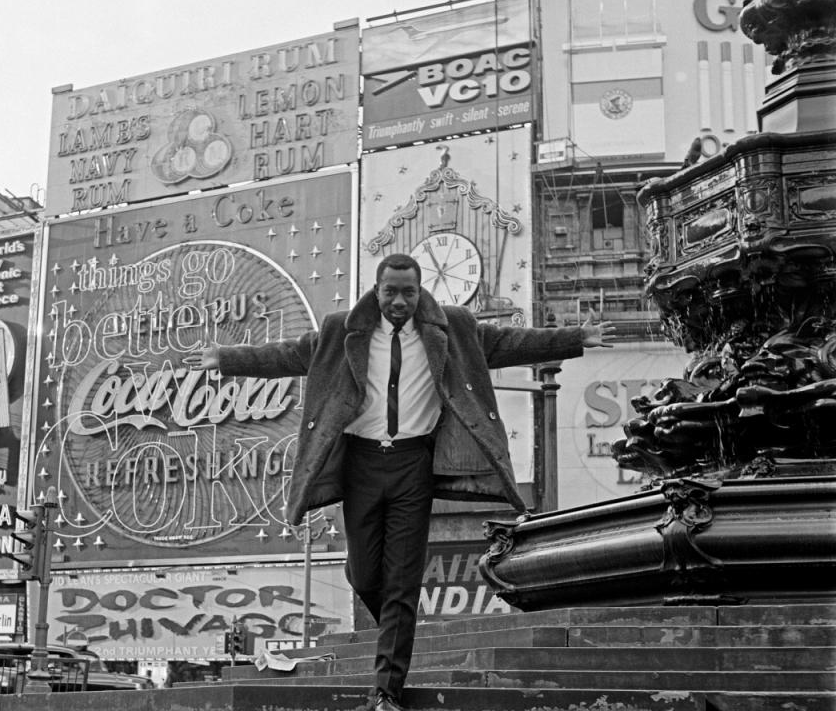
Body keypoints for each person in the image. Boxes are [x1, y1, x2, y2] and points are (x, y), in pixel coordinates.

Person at [199, 252, 613, 711]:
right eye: (391, 292)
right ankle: (399, 630)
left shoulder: (452, 328)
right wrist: (227, 358)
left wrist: (576, 338)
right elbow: (290, 354)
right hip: (360, 464)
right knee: (364, 574)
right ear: (377, 290)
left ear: (420, 292)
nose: (399, 301)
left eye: (409, 292)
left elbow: (510, 342)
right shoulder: (341, 330)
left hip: (414, 465)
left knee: (402, 582)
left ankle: (386, 691)